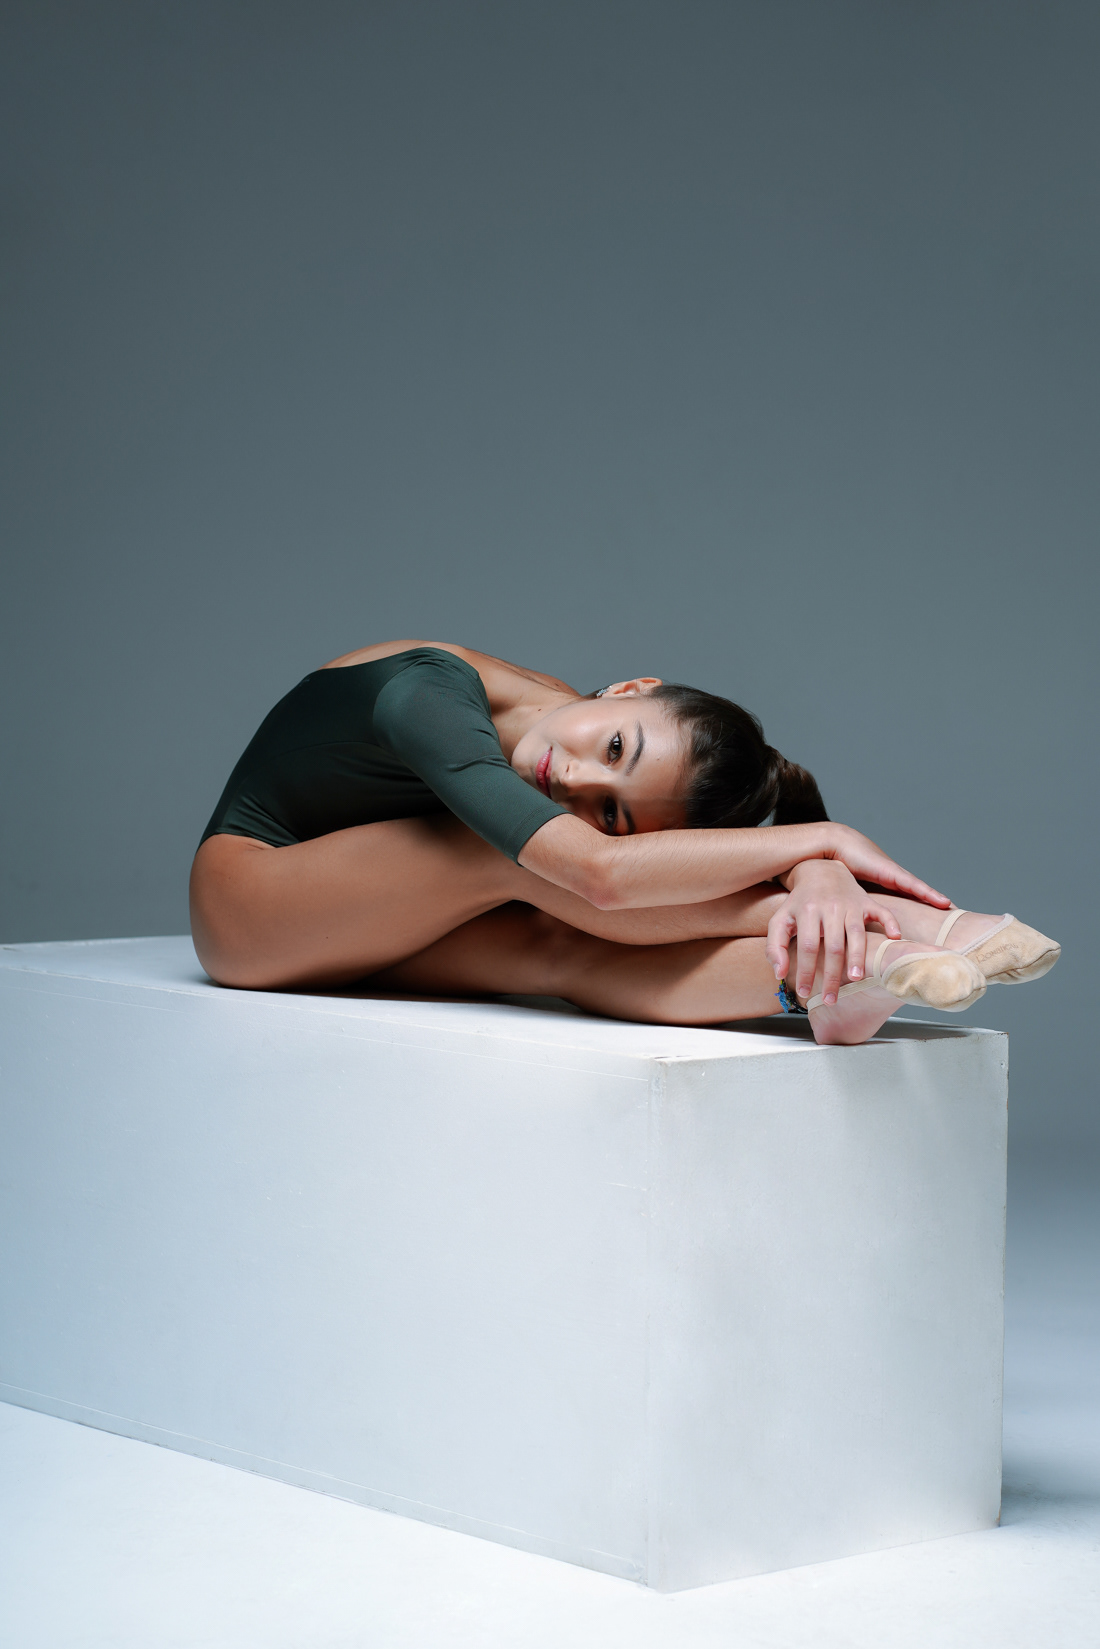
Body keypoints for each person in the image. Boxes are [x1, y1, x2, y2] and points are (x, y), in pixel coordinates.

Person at [189, 639, 1060, 1046]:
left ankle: (838, 974)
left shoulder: (559, 725)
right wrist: (821, 848)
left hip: (378, 922)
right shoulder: (426, 698)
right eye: (615, 747)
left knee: (556, 948)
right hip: (251, 904)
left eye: (611, 810)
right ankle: (910, 923)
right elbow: (603, 876)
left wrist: (815, 872)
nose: (573, 780)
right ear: (631, 685)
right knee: (509, 858)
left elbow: (619, 882)